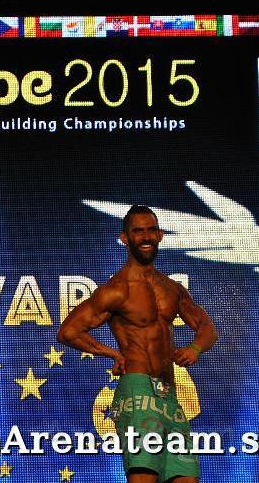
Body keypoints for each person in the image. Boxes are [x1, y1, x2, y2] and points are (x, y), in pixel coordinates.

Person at [57, 205, 218, 483]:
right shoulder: (117, 289)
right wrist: (111, 353)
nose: (146, 237)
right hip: (137, 388)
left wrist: (195, 348)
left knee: (187, 478)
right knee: (144, 477)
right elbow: (68, 331)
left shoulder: (172, 289)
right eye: (138, 231)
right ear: (125, 238)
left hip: (169, 393)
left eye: (151, 230)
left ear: (160, 235)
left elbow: (207, 328)